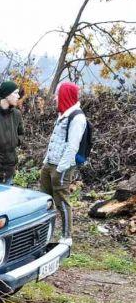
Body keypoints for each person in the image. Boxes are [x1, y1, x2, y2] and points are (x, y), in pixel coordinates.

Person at [40, 82, 86, 245]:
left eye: (58, 93)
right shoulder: (63, 114)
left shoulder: (77, 117)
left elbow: (72, 146)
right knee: (44, 200)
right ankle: (43, 235)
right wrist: (46, 162)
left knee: (61, 201)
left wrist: (60, 168)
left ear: (65, 95)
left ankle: (67, 237)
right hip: (50, 164)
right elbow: (55, 141)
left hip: (62, 167)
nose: (55, 97)